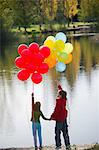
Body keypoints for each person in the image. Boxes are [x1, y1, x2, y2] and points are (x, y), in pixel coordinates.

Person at [50, 84, 71, 150]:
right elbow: (62, 92)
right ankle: (68, 145)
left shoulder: (59, 102)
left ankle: (58, 146)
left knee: (57, 133)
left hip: (59, 120)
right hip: (64, 119)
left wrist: (52, 116)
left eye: (58, 94)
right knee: (65, 133)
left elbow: (56, 110)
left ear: (61, 96)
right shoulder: (64, 100)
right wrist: (59, 87)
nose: (57, 94)